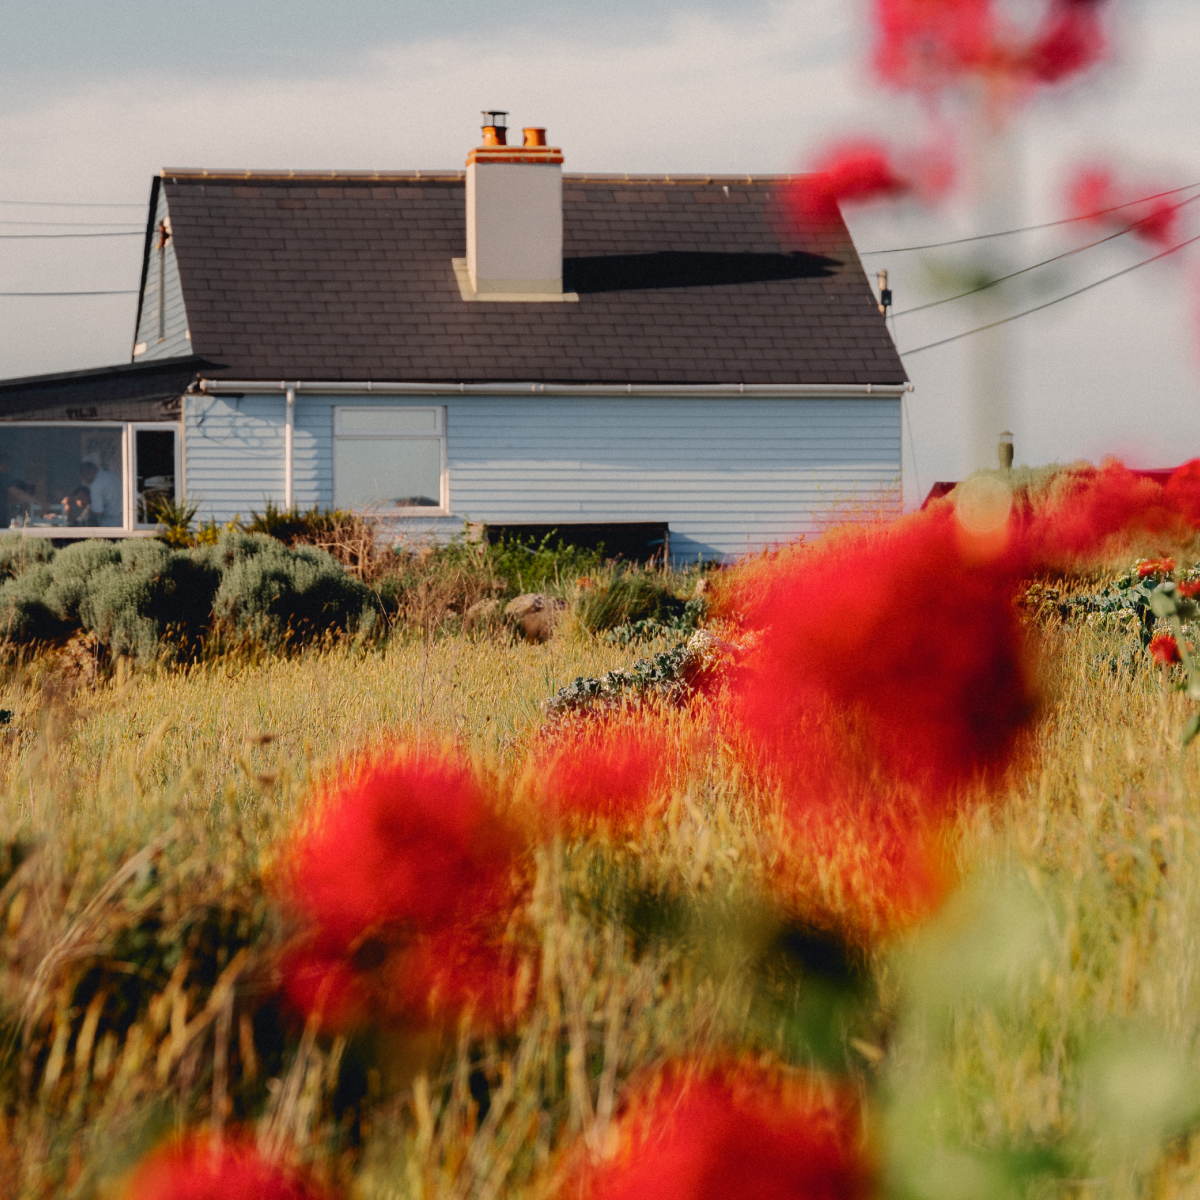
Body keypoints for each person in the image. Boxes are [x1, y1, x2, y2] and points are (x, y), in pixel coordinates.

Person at [80, 460, 122, 526]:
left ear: (89, 473)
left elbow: (98, 511)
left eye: (84, 477)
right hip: (125, 520)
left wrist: (88, 510)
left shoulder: (96, 485)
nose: (85, 480)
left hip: (110, 523)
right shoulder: (113, 476)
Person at [0, 453, 37, 528]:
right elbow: (16, 493)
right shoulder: (3, 477)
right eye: (5, 466)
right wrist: (38, 502)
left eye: (8, 466)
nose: (6, 468)